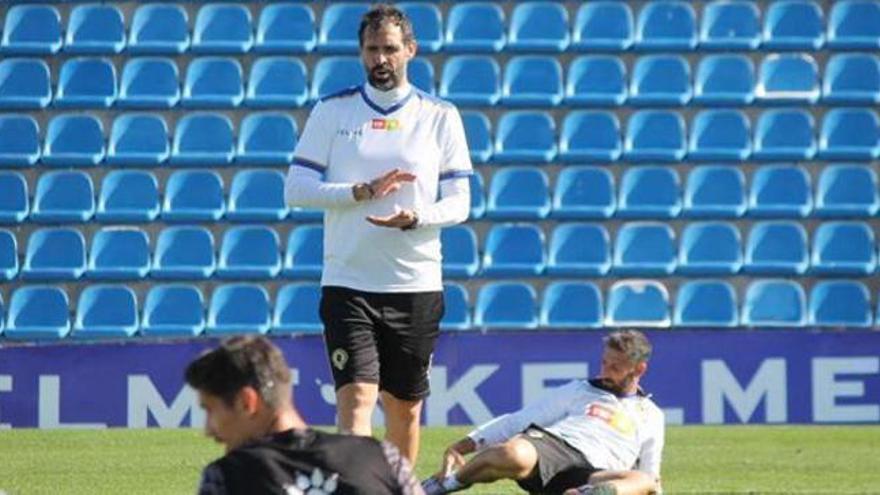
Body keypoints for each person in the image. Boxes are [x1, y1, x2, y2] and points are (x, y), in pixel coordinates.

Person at [284, 4, 472, 465]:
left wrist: (416, 219)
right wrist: (360, 191)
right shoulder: (332, 111)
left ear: (411, 50)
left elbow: (461, 203)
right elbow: (296, 189)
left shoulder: (439, 115)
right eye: (372, 49)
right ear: (361, 52)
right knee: (355, 402)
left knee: (404, 411)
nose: (380, 59)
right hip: (348, 283)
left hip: (415, 284)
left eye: (390, 48)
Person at [422, 330, 665, 495]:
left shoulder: (652, 415)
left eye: (615, 367)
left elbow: (651, 475)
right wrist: (461, 446)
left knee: (644, 480)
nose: (605, 371)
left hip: (596, 475)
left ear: (639, 369)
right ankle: (446, 483)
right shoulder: (580, 389)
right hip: (556, 449)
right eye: (604, 362)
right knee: (512, 454)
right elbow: (518, 420)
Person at [186, 335, 425, 495]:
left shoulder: (227, 478)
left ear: (247, 402)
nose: (209, 430)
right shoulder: (382, 457)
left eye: (209, 410)